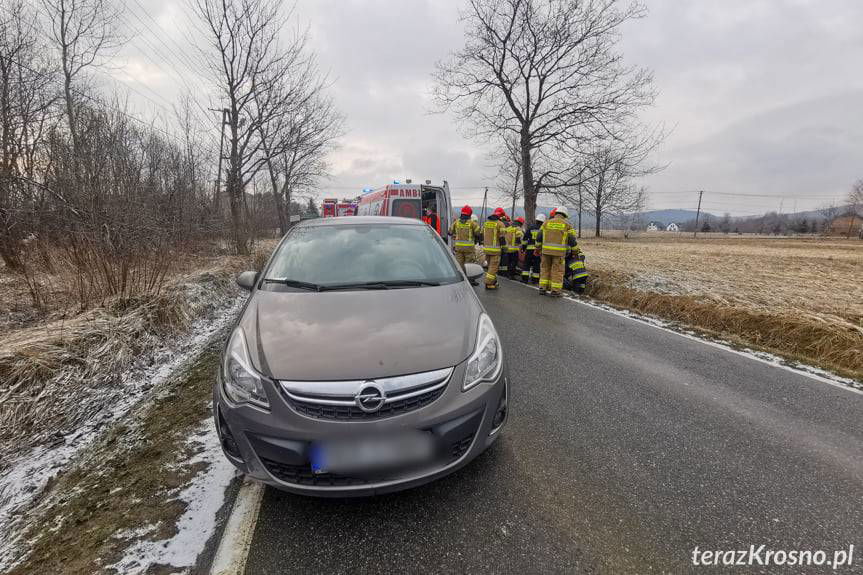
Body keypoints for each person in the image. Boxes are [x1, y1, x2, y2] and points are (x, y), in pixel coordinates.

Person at [535, 206, 576, 297]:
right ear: (565, 215)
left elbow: (539, 237)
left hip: (545, 252)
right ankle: (555, 291)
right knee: (557, 271)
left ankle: (542, 288)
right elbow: (572, 240)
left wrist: (537, 249)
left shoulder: (546, 223)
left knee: (544, 269)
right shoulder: (567, 224)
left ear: (556, 213)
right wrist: (575, 252)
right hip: (559, 253)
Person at [449, 205, 481, 275]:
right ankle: (470, 280)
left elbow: (449, 232)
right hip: (469, 249)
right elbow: (478, 233)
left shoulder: (456, 222)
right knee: (469, 265)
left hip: (458, 248)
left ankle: (461, 278)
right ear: (469, 214)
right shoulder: (472, 223)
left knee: (459, 264)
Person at [482, 207, 508, 290]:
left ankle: (494, 281)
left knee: (490, 267)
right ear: (500, 216)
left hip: (486, 249)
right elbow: (502, 238)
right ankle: (488, 283)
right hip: (495, 251)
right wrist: (504, 248)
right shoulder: (500, 224)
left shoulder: (486, 223)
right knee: (493, 268)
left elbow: (481, 234)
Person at [521, 214, 545, 283]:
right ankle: (535, 280)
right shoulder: (543, 229)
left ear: (536, 220)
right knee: (537, 265)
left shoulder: (531, 227)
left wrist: (523, 248)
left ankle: (524, 279)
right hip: (538, 251)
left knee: (527, 264)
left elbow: (525, 239)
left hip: (529, 250)